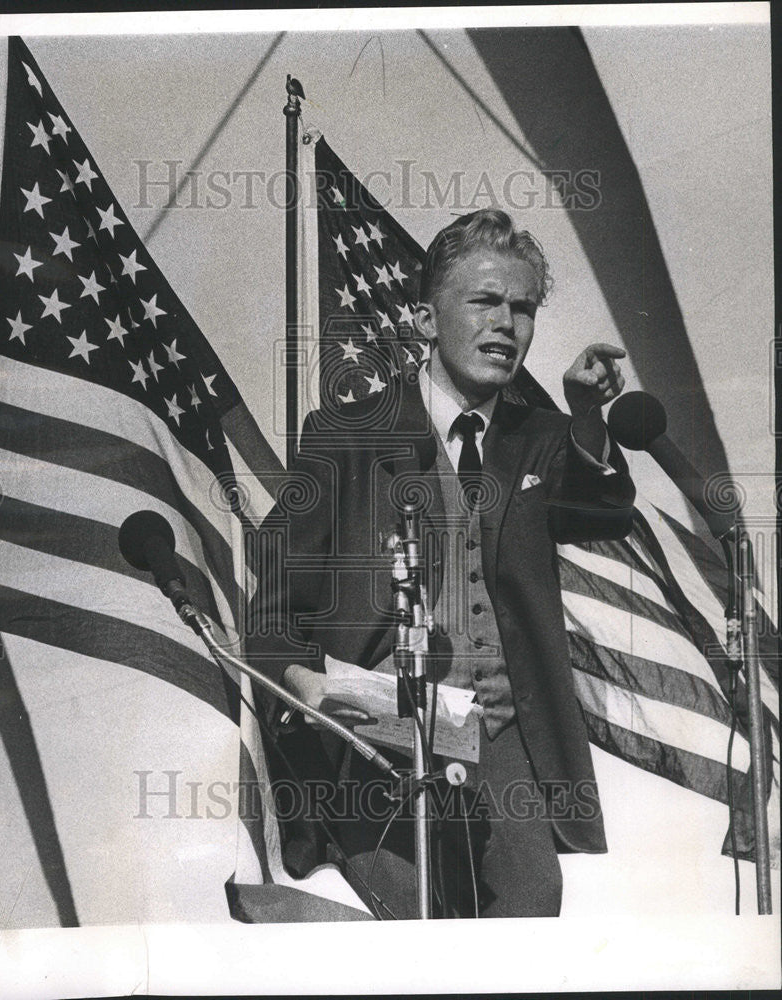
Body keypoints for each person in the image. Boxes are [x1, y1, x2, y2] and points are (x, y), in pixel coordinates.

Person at [246, 209, 635, 918]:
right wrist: (301, 679)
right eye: (484, 301)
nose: (506, 324)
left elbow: (602, 513)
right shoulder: (344, 436)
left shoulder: (540, 437)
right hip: (379, 740)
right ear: (426, 320)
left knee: (529, 915)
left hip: (501, 739)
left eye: (521, 307)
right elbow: (271, 605)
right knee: (414, 934)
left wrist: (584, 416)